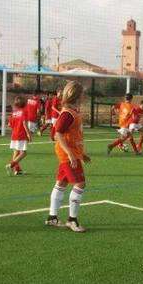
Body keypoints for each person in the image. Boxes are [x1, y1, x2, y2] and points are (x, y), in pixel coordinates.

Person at [47, 81, 91, 233]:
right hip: (67, 155)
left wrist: (81, 153)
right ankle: (72, 220)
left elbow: (73, 135)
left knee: (61, 183)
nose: (85, 95)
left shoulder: (72, 111)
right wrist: (71, 154)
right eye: (83, 93)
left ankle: (52, 218)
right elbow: (57, 133)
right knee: (80, 184)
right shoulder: (67, 113)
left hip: (71, 153)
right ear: (77, 95)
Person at [6, 96, 30, 176]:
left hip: (14, 135)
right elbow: (24, 124)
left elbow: (10, 124)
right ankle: (11, 165)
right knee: (23, 153)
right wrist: (28, 134)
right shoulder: (24, 111)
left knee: (16, 152)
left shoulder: (14, 113)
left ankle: (17, 170)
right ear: (24, 103)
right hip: (21, 135)